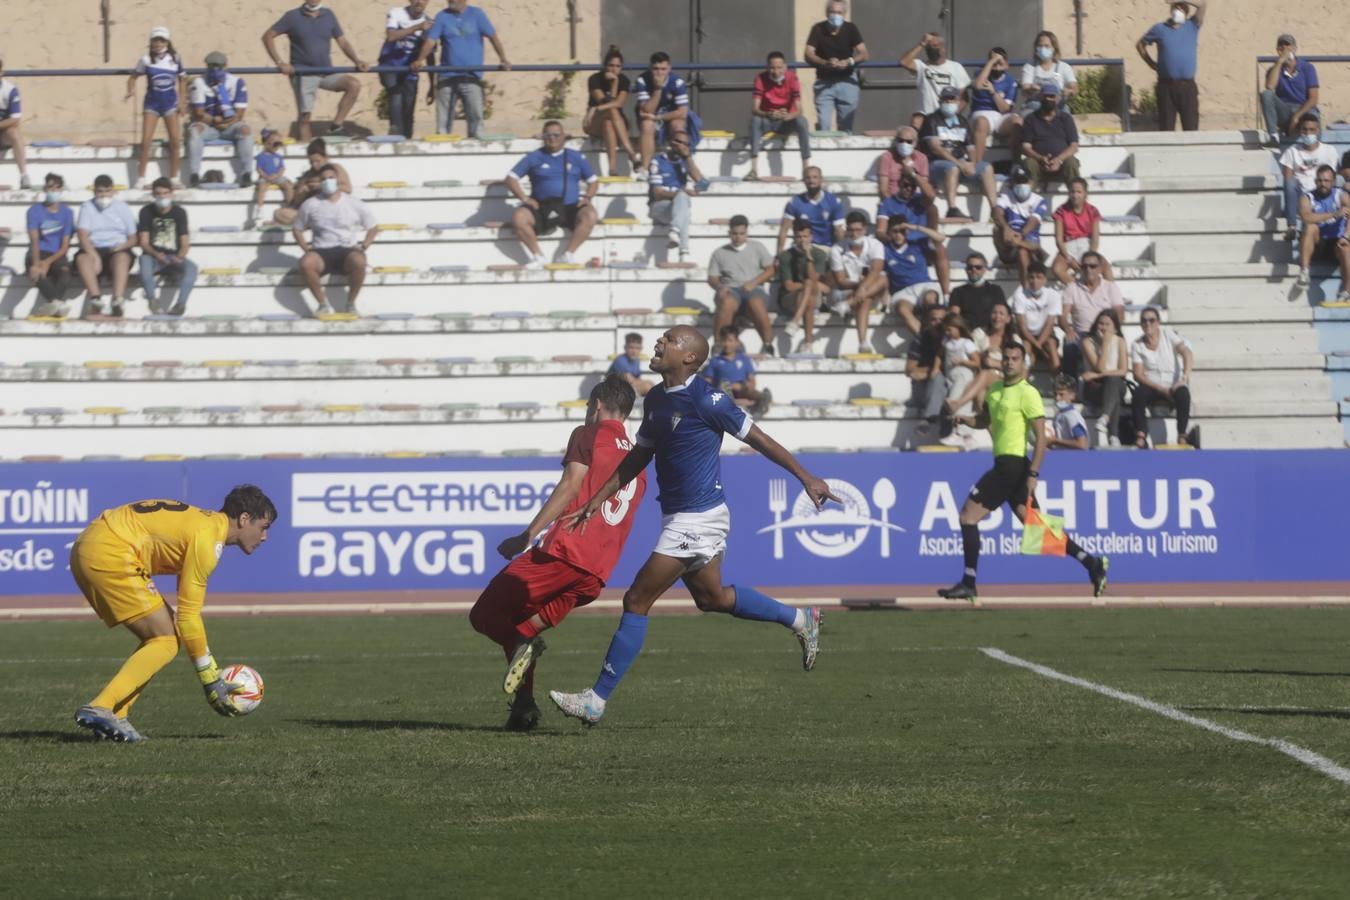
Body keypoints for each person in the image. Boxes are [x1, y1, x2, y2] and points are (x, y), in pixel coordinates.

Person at [548, 324, 835, 726]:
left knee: (636, 600)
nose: (659, 341)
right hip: (681, 515)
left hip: (698, 518)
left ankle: (596, 699)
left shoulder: (710, 400)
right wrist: (597, 500)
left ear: (689, 358)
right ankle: (799, 619)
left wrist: (807, 477)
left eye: (669, 339)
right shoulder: (656, 400)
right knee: (711, 598)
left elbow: (761, 439)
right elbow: (638, 457)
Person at [470, 376, 646, 732]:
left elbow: (571, 485)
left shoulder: (587, 435)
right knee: (522, 628)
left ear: (596, 405)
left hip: (565, 554)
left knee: (484, 615)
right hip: (596, 574)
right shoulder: (640, 456)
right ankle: (523, 708)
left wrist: (528, 535)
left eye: (586, 407)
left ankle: (523, 669)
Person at [69, 486, 277, 742]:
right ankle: (102, 707)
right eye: (263, 526)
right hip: (111, 550)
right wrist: (210, 678)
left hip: (92, 543)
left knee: (163, 637)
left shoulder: (204, 525)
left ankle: (115, 714)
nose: (265, 536)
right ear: (244, 519)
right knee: (165, 640)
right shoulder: (209, 538)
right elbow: (188, 616)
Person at [938, 340, 1110, 601]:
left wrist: (1034, 473)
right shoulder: (995, 390)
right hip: (1006, 466)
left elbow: (1040, 438)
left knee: (967, 518)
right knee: (1037, 529)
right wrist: (964, 419)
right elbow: (985, 420)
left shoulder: (1028, 393)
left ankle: (969, 582)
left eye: (1014, 358)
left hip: (1012, 465)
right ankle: (1091, 563)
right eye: (1005, 358)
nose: (1009, 362)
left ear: (1023, 363)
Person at [263, 0, 369, 142]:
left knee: (353, 85)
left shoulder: (328, 14)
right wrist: (280, 62)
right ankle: (306, 153)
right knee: (305, 118)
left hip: (325, 72)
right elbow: (268, 36)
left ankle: (336, 127)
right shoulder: (292, 16)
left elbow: (342, 41)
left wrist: (357, 60)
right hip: (303, 74)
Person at [506, 120, 599, 268]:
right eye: (548, 135)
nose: (552, 138)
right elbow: (511, 178)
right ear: (543, 137)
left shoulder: (576, 157)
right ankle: (537, 256)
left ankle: (568, 254)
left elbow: (593, 181)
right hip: (542, 206)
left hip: (570, 207)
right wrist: (524, 198)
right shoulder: (533, 157)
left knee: (590, 215)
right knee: (519, 217)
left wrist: (587, 197)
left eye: (556, 134)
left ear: (564, 137)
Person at [412, 0, 509, 139]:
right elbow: (430, 41)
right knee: (443, 124)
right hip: (447, 76)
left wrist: (503, 58)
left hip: (471, 75)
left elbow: (493, 37)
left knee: (476, 119)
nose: (450, 0)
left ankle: (477, 150)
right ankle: (443, 149)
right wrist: (419, 59)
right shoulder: (442, 16)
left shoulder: (477, 14)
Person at [293, 163, 378, 316]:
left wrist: (364, 246)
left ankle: (351, 303)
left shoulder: (354, 203)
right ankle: (322, 303)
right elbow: (297, 229)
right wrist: (306, 249)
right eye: (324, 179)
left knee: (360, 261)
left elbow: (372, 227)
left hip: (347, 251)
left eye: (331, 178)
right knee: (306, 263)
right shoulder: (310, 204)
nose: (328, 181)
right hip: (321, 251)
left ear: (338, 180)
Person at [920, 85, 998, 221]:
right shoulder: (931, 120)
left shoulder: (963, 122)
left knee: (986, 167)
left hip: (960, 163)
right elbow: (935, 148)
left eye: (952, 99)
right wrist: (960, 164)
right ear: (940, 101)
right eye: (946, 99)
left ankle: (995, 210)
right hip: (936, 165)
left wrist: (972, 164)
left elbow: (971, 148)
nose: (949, 102)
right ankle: (952, 208)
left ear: (958, 102)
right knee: (952, 167)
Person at [126, 27, 186, 189]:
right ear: (151, 42)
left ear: (167, 42)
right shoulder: (146, 60)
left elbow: (182, 80)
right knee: (145, 142)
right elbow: (133, 77)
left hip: (170, 104)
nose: (158, 43)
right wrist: (130, 90)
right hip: (151, 104)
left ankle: (174, 177)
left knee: (174, 141)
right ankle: (140, 178)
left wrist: (182, 101)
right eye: (156, 40)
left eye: (162, 40)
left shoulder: (175, 59)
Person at [876, 171, 951, 300]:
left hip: (921, 242)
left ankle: (946, 295)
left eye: (913, 186)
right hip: (899, 242)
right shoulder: (888, 203)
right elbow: (880, 231)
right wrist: (893, 236)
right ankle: (886, 299)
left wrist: (914, 174)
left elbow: (931, 195)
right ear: (898, 184)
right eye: (906, 185)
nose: (909, 188)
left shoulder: (920, 199)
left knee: (939, 247)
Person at [1130, 306, 1197, 449]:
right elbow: (1138, 374)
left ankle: (1182, 434)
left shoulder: (1168, 335)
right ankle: (1141, 434)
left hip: (1173, 384)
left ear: (1158, 322)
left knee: (1183, 393)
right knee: (1138, 394)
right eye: (1144, 321)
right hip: (1153, 386)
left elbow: (1187, 353)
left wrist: (1183, 378)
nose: (1147, 324)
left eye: (1151, 320)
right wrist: (1159, 388)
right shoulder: (1137, 344)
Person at [708, 215, 776, 355]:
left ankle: (768, 345)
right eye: (734, 233)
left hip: (754, 288)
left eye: (741, 233)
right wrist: (720, 287)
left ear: (747, 232)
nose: (738, 237)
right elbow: (712, 278)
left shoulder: (758, 247)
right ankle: (719, 344)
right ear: (729, 233)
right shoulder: (719, 253)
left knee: (756, 303)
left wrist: (754, 282)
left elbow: (771, 269)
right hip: (730, 289)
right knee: (726, 302)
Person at [187, 52, 254, 189]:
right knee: (195, 131)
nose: (215, 69)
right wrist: (214, 121)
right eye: (211, 66)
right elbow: (199, 113)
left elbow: (239, 114)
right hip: (209, 125)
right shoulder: (198, 82)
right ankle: (194, 173)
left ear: (225, 66)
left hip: (230, 125)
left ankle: (247, 173)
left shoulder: (237, 82)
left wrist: (227, 123)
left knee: (245, 131)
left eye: (218, 66)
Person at [1137, 0, 1206, 132]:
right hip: (1166, 86)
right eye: (1175, 8)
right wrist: (1150, 63)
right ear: (1171, 10)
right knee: (1166, 128)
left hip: (1187, 87)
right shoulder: (1159, 28)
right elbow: (1140, 45)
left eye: (1181, 9)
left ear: (1186, 13)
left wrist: (1180, 0)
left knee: (1191, 128)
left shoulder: (1192, 26)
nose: (1177, 11)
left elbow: (1202, 5)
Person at [75, 175, 138, 319]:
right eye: (100, 192)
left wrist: (121, 246)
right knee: (83, 259)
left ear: (113, 191)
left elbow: (133, 238)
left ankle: (117, 300)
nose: (103, 195)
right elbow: (83, 235)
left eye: (107, 191)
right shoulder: (87, 207)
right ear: (94, 192)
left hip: (117, 247)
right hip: (94, 247)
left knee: (122, 258)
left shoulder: (122, 208)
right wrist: (94, 256)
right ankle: (95, 299)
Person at [804, 0, 868, 133]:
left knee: (846, 128)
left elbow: (864, 53)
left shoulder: (851, 28)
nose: (835, 15)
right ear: (827, 13)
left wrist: (848, 62)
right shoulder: (817, 28)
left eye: (839, 12)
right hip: (824, 82)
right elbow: (808, 53)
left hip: (847, 81)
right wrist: (825, 63)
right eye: (832, 12)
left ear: (844, 14)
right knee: (824, 125)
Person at [828, 210, 888, 350]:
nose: (854, 234)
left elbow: (876, 270)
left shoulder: (875, 245)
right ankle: (863, 342)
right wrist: (859, 285)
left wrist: (862, 287)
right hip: (848, 290)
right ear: (846, 229)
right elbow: (840, 280)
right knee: (866, 298)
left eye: (858, 230)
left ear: (865, 229)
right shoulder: (837, 249)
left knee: (883, 278)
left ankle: (848, 304)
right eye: (851, 230)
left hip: (865, 290)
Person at [138, 178, 198, 317]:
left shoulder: (179, 212)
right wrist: (156, 254)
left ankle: (180, 304)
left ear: (172, 193)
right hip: (153, 257)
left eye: (166, 193)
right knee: (144, 262)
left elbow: (184, 241)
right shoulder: (146, 211)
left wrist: (180, 256)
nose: (162, 196)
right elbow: (144, 242)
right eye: (159, 193)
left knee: (192, 268)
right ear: (153, 194)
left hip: (173, 256)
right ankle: (152, 300)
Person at [748, 51, 812, 181]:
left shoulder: (792, 78)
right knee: (755, 120)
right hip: (767, 120)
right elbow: (754, 109)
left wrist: (790, 115)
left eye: (779, 68)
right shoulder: (760, 78)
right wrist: (768, 113)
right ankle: (753, 169)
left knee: (802, 121)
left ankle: (806, 168)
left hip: (785, 122)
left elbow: (800, 110)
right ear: (767, 68)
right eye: (772, 68)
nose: (776, 71)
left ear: (785, 67)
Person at [947, 299, 1016, 418]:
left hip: (1004, 379)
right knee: (980, 395)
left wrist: (995, 363)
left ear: (1008, 319)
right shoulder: (980, 333)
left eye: (1001, 313)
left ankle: (958, 403)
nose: (997, 316)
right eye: (994, 312)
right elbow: (971, 355)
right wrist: (984, 355)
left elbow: (1019, 367)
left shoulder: (1014, 339)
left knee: (984, 375)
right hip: (980, 378)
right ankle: (969, 429)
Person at [1059, 250, 1123, 376]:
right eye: (1084, 266)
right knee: (1069, 342)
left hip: (1105, 331)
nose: (1088, 270)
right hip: (1081, 333)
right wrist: (1068, 329)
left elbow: (1120, 316)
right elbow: (1062, 316)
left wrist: (1108, 332)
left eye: (1093, 266)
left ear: (1100, 268)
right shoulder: (1072, 287)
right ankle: (1070, 386)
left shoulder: (1110, 287)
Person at [632, 52, 697, 175]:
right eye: (656, 69)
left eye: (663, 69)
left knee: (677, 126)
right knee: (647, 124)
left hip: (669, 117)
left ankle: (684, 168)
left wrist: (658, 117)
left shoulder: (677, 82)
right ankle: (645, 168)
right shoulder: (642, 81)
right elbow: (647, 111)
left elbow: (682, 112)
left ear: (669, 68)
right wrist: (658, 89)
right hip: (650, 118)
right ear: (650, 68)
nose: (659, 73)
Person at [1278, 114, 1337, 242]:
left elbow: (1331, 177)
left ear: (1317, 131)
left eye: (1311, 130)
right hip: (1301, 196)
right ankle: (1292, 226)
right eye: (1304, 129)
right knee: (1290, 183)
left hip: (1321, 193)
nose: (1308, 133)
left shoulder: (1329, 150)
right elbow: (1287, 178)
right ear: (1300, 130)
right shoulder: (1291, 152)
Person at [883, 216, 945, 336]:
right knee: (902, 309)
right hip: (902, 292)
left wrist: (916, 227)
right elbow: (882, 275)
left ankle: (935, 335)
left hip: (924, 286)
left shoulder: (917, 244)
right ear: (889, 233)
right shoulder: (884, 250)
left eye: (902, 231)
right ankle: (925, 340)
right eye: (894, 231)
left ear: (907, 231)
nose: (898, 235)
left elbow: (941, 238)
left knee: (930, 298)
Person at [377, 0, 432, 138]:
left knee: (409, 106)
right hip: (389, 65)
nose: (419, 2)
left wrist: (432, 84)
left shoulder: (429, 22)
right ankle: (395, 133)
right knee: (395, 96)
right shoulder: (397, 13)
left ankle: (407, 139)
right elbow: (391, 36)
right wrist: (416, 27)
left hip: (409, 69)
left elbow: (430, 55)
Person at [775, 217, 831, 349]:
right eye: (799, 237)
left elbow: (813, 278)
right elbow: (789, 286)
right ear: (794, 238)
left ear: (811, 236)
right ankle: (808, 343)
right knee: (809, 292)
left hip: (809, 295)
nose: (802, 240)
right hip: (789, 298)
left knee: (809, 291)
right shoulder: (786, 256)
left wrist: (809, 257)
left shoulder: (818, 254)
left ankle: (795, 321)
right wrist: (810, 285)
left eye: (805, 236)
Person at [648, 133, 705, 263]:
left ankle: (680, 244)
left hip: (678, 208)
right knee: (683, 202)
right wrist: (680, 193)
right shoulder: (657, 161)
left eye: (686, 144)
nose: (682, 147)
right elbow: (657, 193)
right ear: (671, 143)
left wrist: (688, 157)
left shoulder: (685, 162)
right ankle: (683, 251)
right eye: (680, 143)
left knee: (683, 209)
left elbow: (702, 184)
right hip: (659, 207)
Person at [1297, 164, 1350, 301]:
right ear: (1315, 181)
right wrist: (1333, 214)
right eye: (1320, 180)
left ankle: (1346, 292)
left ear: (1333, 181)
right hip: (1318, 244)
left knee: (1346, 247)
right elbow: (1306, 217)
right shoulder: (1307, 197)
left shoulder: (1341, 195)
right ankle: (1304, 272)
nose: (1323, 184)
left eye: (1326, 181)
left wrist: (1346, 236)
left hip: (1337, 243)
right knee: (1310, 227)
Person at [26, 173, 76, 318]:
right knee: (38, 272)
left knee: (65, 274)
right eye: (50, 187)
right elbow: (34, 240)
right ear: (45, 189)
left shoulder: (67, 212)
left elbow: (65, 245)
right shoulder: (34, 210)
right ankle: (58, 304)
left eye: (57, 187)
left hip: (56, 254)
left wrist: (48, 262)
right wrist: (36, 263)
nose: (53, 191)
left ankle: (52, 306)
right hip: (37, 251)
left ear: (61, 190)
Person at [900, 30, 971, 131]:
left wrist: (952, 115)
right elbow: (904, 62)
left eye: (935, 45)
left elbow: (963, 99)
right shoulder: (921, 66)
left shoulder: (956, 67)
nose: (931, 49)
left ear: (943, 48)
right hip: (924, 116)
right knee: (916, 121)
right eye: (928, 47)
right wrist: (921, 44)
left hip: (946, 116)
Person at [584, 46, 638, 177]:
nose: (614, 69)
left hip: (613, 122)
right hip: (594, 121)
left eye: (618, 66)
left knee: (608, 124)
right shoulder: (595, 79)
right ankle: (631, 153)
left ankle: (612, 169)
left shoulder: (623, 80)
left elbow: (619, 103)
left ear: (622, 67)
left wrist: (596, 108)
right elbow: (605, 102)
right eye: (611, 65)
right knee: (612, 111)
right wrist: (614, 84)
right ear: (605, 66)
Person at [1019, 83, 1080, 194]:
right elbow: (1025, 146)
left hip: (1062, 164)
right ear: (1040, 97)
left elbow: (1074, 146)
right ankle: (1030, 202)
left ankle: (1075, 202)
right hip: (1038, 164)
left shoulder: (1066, 118)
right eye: (1045, 96)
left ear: (1057, 99)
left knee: (1072, 163)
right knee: (1029, 163)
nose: (1048, 99)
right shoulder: (1030, 119)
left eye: (1052, 96)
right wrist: (1040, 158)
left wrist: (1058, 160)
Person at [994, 167, 1048, 288]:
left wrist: (1020, 237)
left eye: (1024, 181)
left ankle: (1026, 289)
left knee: (1022, 251)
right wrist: (1006, 228)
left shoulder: (1039, 200)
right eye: (1018, 182)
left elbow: (1033, 221)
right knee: (997, 229)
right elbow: (997, 212)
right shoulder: (1005, 196)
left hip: (1029, 242)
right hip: (1011, 242)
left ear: (1032, 183)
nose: (1022, 185)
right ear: (1012, 183)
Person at [1081, 309, 1127, 447]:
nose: (1104, 327)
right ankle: (1114, 436)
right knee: (1114, 394)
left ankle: (1105, 417)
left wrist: (1097, 375)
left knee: (1113, 382)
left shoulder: (1120, 341)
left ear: (1115, 327)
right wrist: (1105, 344)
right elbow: (1099, 366)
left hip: (1114, 383)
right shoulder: (1087, 342)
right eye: (1101, 323)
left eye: (1108, 324)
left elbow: (1123, 371)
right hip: (1095, 388)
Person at [1261, 34, 1320, 144]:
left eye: (1288, 45)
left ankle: (1314, 143)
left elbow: (1313, 99)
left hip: (1303, 109)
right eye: (1281, 46)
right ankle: (1273, 136)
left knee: (1313, 115)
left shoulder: (1307, 68)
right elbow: (1270, 87)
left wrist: (1296, 117)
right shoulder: (1274, 70)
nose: (1284, 49)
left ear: (1294, 48)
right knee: (1266, 94)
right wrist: (1279, 62)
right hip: (1285, 110)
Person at [1051, 178, 1111, 285]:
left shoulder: (1092, 210)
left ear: (1085, 194)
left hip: (1086, 245)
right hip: (1068, 246)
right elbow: (1059, 240)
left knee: (1105, 267)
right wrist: (1069, 258)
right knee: (1057, 269)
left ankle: (1113, 296)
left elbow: (1095, 238)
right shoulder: (1061, 211)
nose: (1075, 195)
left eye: (1079, 192)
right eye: (1072, 192)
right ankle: (1079, 290)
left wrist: (1090, 256)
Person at [969, 48, 1020, 171]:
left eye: (1000, 60)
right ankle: (979, 165)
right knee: (982, 122)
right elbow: (977, 85)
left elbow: (1005, 109)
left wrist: (993, 92)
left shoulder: (1010, 81)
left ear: (1007, 64)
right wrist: (991, 62)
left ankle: (1016, 165)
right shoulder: (980, 73)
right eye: (993, 60)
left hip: (999, 116)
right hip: (980, 114)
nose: (997, 63)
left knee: (1017, 121)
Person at [938, 312, 982, 448]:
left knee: (955, 401)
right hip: (951, 376)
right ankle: (967, 436)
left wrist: (962, 361)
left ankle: (958, 432)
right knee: (963, 404)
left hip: (963, 375)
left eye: (950, 329)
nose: (948, 332)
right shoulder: (945, 342)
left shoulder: (966, 343)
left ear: (958, 327)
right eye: (946, 329)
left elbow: (977, 362)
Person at [706, 326, 772, 416]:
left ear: (737, 342)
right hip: (722, 392)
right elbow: (707, 382)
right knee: (723, 388)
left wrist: (737, 386)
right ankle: (732, 400)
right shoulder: (715, 360)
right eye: (724, 340)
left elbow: (752, 382)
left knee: (749, 390)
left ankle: (762, 399)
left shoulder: (744, 359)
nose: (726, 344)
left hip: (742, 390)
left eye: (730, 340)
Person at [776, 166, 846, 252]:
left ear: (821, 179)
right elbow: (784, 229)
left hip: (826, 247)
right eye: (808, 178)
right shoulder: (794, 202)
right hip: (802, 247)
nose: (811, 181)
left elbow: (839, 231)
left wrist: (842, 253)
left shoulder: (834, 201)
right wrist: (779, 254)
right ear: (804, 180)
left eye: (815, 177)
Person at [905, 300, 949, 430]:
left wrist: (929, 372)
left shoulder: (954, 340)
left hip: (947, 387)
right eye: (934, 320)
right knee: (938, 377)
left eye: (942, 320)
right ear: (927, 321)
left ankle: (930, 420)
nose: (938, 323)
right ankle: (931, 418)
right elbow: (910, 371)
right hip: (922, 390)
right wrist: (933, 371)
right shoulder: (920, 339)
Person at [1011, 261, 1062, 371]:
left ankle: (1059, 382)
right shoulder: (1020, 296)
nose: (1035, 281)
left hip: (1046, 334)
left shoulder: (1053, 295)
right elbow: (1022, 327)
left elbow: (1049, 324)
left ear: (1045, 279)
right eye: (1031, 277)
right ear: (1027, 279)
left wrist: (1039, 344)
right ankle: (1022, 383)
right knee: (1025, 349)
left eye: (1039, 277)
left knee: (1051, 345)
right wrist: (1037, 346)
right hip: (1027, 336)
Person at [1020, 30, 1077, 115]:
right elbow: (1025, 89)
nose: (1043, 49)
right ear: (1036, 48)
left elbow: (1075, 88)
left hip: (1058, 107)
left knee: (1066, 120)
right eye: (1040, 46)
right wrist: (1031, 88)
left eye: (1047, 46)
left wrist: (1069, 91)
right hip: (1035, 107)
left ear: (1054, 48)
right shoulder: (1030, 67)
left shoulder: (1063, 67)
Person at [949, 251, 1004, 334]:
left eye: (978, 267)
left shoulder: (995, 290)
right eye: (970, 267)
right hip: (968, 335)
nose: (973, 270)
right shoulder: (958, 292)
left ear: (984, 269)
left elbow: (1001, 315)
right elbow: (954, 318)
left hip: (991, 334)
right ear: (966, 270)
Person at [250, 129, 293, 228]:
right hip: (265, 177)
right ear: (267, 144)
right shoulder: (261, 156)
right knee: (261, 187)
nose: (277, 147)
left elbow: (282, 168)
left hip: (276, 176)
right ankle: (259, 208)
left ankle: (290, 206)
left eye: (278, 145)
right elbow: (258, 169)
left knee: (288, 185)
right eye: (275, 144)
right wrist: (265, 176)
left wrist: (277, 175)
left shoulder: (279, 157)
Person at [874, 125, 930, 199]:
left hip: (914, 202)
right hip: (893, 201)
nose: (904, 144)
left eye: (909, 141)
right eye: (901, 140)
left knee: (932, 207)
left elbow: (925, 188)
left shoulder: (922, 158)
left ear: (915, 143)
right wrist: (893, 206)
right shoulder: (886, 157)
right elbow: (883, 190)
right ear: (896, 141)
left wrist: (912, 173)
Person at [0, 61, 32, 188]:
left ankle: (24, 175)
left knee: (14, 132)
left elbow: (15, 119)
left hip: (3, 133)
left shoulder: (10, 90)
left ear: (1, 73)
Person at [1047, 374, 1089, 450]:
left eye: (1061, 394)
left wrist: (1055, 441)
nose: (1057, 398)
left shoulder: (1073, 416)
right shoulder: (1060, 414)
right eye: (1055, 394)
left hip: (1073, 459)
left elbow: (1082, 444)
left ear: (1072, 395)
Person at [608, 332, 654, 396]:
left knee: (651, 385)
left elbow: (637, 379)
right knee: (648, 387)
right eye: (631, 347)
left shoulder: (637, 360)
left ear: (641, 349)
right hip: (612, 391)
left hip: (626, 389)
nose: (634, 351)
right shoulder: (620, 360)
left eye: (637, 348)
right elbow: (629, 380)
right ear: (625, 348)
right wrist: (646, 384)